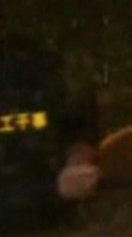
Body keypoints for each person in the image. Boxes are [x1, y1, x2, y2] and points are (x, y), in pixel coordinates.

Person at [1, 34, 100, 231]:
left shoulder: (32, 63)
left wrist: (78, 160)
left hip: (57, 223)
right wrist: (52, 191)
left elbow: (77, 127)